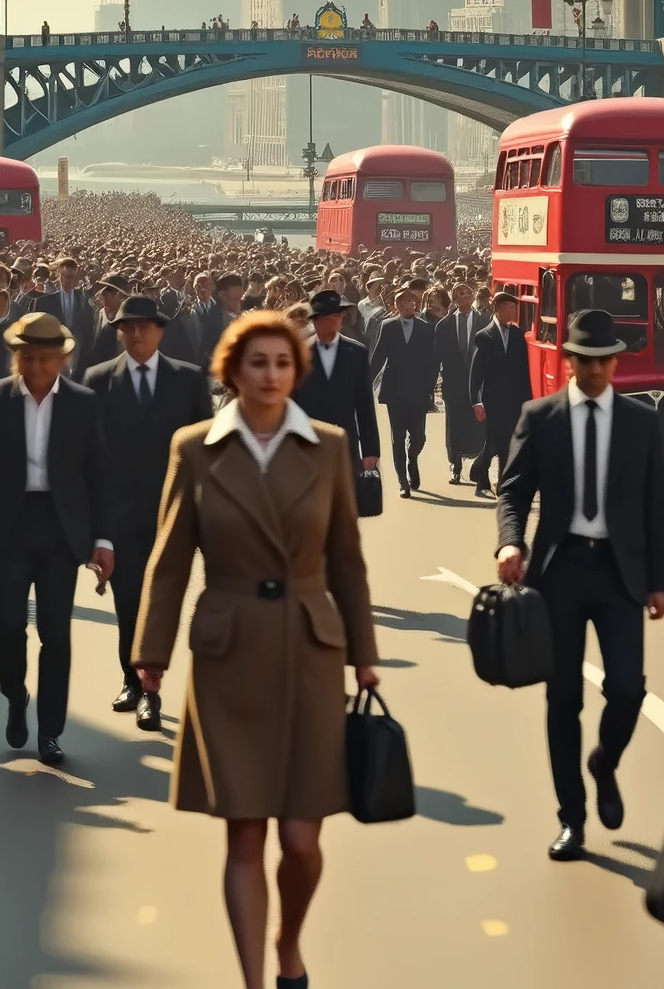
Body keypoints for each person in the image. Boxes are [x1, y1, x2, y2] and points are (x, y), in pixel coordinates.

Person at [134, 311, 380, 989]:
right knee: (244, 833)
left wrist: (365, 650)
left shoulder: (327, 446)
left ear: (296, 371)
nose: (270, 375)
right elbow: (170, 557)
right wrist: (149, 651)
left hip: (309, 647)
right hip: (229, 650)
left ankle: (289, 945)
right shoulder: (195, 448)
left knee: (302, 839)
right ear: (231, 372)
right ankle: (252, 982)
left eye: (281, 363)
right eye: (257, 363)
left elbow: (348, 561)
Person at [495, 305, 664, 862]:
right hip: (559, 571)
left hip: (621, 574)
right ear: (567, 360)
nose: (594, 370)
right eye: (584, 360)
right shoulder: (540, 417)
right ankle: (571, 818)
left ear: (616, 363)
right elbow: (513, 489)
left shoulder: (642, 422)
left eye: (604, 360)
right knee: (562, 701)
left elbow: (657, 508)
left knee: (626, 689)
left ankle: (604, 762)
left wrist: (661, 581)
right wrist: (510, 542)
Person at [0, 311, 113, 769]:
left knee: (55, 634)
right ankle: (14, 694)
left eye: (46, 359)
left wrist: (102, 539)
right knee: (9, 626)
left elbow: (99, 476)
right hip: (9, 524)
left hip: (61, 530)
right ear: (18, 358)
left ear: (62, 359)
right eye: (28, 358)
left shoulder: (83, 402)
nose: (37, 367)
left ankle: (49, 730)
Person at [82, 295, 213, 729]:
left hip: (174, 513)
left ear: (160, 331)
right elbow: (86, 457)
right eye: (128, 327)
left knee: (160, 605)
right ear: (118, 332)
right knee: (129, 603)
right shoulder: (97, 380)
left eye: (145, 326)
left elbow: (207, 450)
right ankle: (137, 684)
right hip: (119, 516)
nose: (136, 334)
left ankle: (152, 685)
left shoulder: (189, 380)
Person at [294, 289, 381, 477]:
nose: (338, 320)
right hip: (309, 442)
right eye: (331, 316)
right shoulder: (299, 354)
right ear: (315, 320)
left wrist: (370, 450)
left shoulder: (357, 352)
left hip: (345, 441)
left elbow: (365, 404)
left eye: (339, 316)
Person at [371, 284, 439, 498]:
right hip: (394, 390)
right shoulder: (387, 326)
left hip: (419, 390)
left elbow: (433, 361)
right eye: (400, 302)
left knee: (419, 436)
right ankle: (403, 481)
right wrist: (365, 381)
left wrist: (430, 388)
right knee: (397, 437)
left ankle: (413, 460)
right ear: (396, 305)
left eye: (409, 301)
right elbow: (379, 356)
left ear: (415, 304)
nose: (405, 305)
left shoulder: (427, 328)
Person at [469, 290, 534, 499]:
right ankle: (481, 478)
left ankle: (502, 485)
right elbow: (476, 372)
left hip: (514, 399)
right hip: (492, 400)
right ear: (497, 308)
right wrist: (475, 401)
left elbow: (524, 371)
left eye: (515, 308)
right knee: (492, 441)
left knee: (508, 443)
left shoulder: (518, 335)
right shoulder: (484, 336)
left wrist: (528, 399)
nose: (513, 312)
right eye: (509, 307)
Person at [434, 283, 484, 484]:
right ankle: (455, 464)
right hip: (453, 384)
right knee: (453, 424)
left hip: (479, 383)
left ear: (473, 297)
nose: (463, 295)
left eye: (466, 292)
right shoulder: (444, 326)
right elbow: (436, 358)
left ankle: (478, 463)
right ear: (453, 299)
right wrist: (432, 386)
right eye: (458, 293)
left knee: (478, 423)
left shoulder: (484, 321)